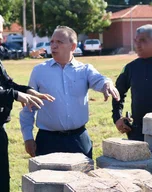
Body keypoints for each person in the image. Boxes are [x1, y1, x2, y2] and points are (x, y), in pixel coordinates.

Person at [0, 7, 54, 192]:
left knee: (0, 183)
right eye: (0, 32)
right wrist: (14, 95)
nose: (2, 37)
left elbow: (8, 84)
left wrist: (30, 91)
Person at [19, 26, 120, 159]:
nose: (53, 46)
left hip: (78, 140)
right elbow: (29, 108)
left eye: (59, 42)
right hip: (48, 141)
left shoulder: (85, 70)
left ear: (72, 47)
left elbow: (99, 80)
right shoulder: (39, 71)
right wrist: (28, 138)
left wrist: (107, 84)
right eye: (52, 42)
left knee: (83, 178)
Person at [112, 24, 152, 141]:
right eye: (136, 41)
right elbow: (118, 93)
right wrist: (117, 117)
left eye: (142, 41)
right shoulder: (130, 68)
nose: (137, 45)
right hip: (138, 131)